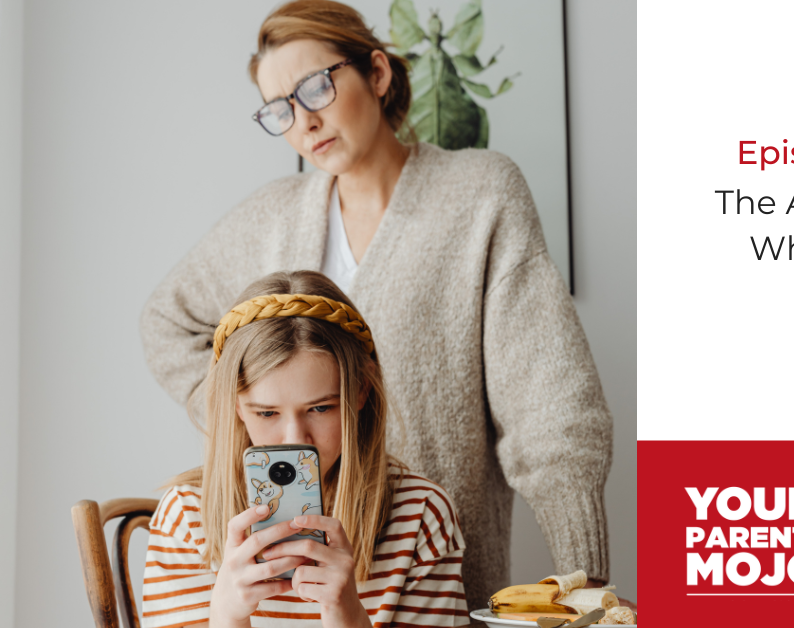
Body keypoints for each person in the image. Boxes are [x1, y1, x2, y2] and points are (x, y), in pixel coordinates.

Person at [139, 0, 614, 612]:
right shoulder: (270, 216)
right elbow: (167, 321)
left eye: (316, 87)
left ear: (379, 74)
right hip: (285, 592)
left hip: (431, 577)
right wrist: (254, 420)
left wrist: (584, 583)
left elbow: (551, 404)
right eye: (280, 109)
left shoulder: (481, 195)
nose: (304, 121)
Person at [143, 271, 467, 627]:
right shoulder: (187, 518)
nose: (294, 438)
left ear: (361, 391)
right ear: (236, 405)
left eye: (320, 408)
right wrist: (226, 618)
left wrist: (349, 617)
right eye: (267, 413)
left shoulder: (420, 515)